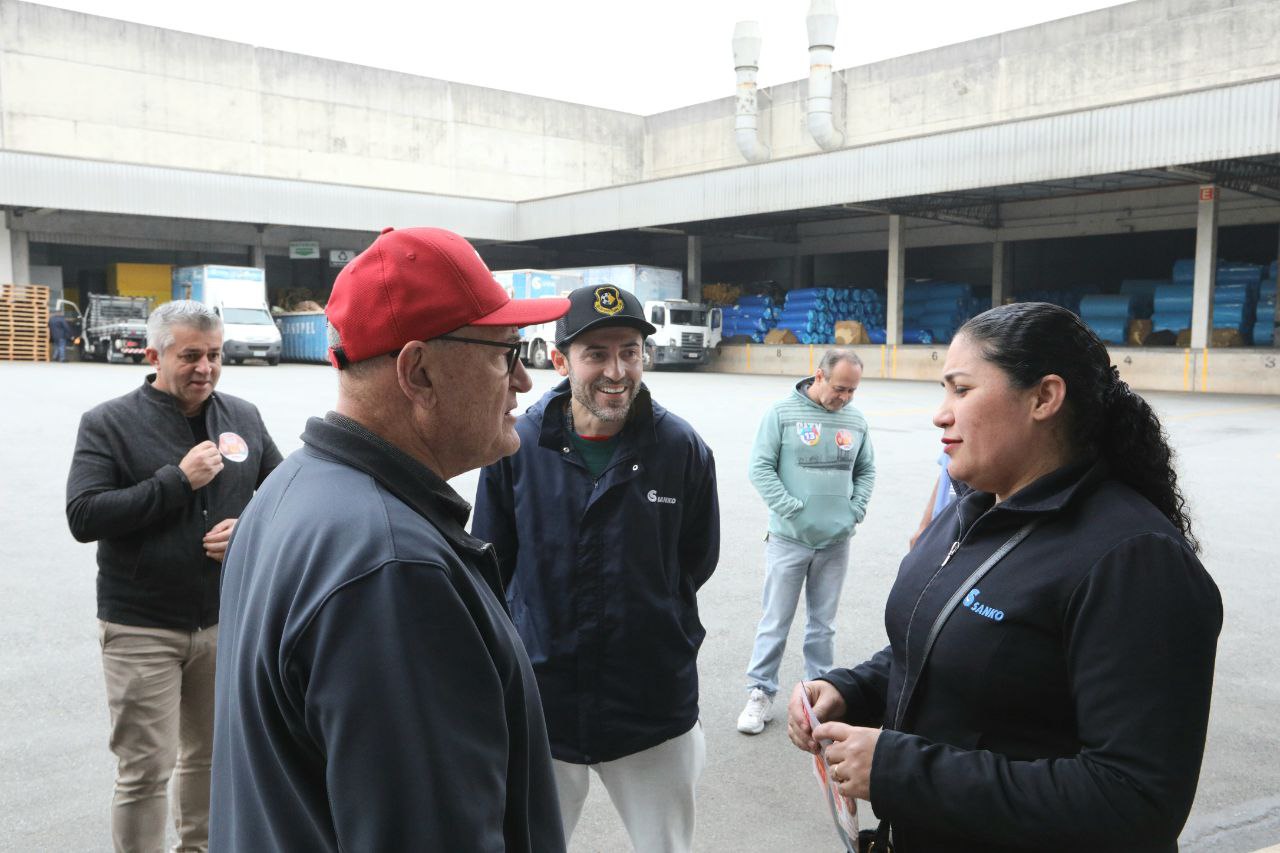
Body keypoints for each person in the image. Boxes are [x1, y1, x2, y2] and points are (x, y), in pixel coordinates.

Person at [787, 302, 1222, 853]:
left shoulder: (1133, 560)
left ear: (1044, 397)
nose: (940, 414)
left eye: (961, 390)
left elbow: (1133, 800)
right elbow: (945, 646)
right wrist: (851, 691)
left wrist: (900, 769)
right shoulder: (973, 508)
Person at [209, 227, 569, 852]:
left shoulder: (290, 489)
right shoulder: (395, 569)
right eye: (505, 354)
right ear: (418, 370)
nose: (523, 383)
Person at [473, 284, 720, 853]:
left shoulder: (680, 448)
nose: (617, 371)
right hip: (544, 696)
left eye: (629, 351)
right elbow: (491, 560)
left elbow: (695, 560)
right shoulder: (517, 445)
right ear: (559, 359)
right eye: (597, 353)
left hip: (652, 700)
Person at [65, 299, 282, 853]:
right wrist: (175, 482)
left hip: (221, 621)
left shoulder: (243, 417)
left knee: (209, 757)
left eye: (214, 355)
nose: (205, 368)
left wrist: (249, 530)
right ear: (155, 353)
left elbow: (286, 496)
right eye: (190, 356)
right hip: (142, 627)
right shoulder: (109, 423)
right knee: (144, 769)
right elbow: (84, 515)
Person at [737, 349, 875, 735]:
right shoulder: (782, 414)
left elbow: (866, 469)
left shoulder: (856, 420)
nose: (844, 397)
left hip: (836, 542)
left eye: (852, 390)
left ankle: (821, 697)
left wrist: (855, 509)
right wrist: (791, 508)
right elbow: (759, 467)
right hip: (789, 539)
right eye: (839, 388)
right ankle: (760, 695)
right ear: (818, 376)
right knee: (775, 621)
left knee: (823, 626)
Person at [909, 449, 956, 548]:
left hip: (958, 535)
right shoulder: (950, 438)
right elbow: (944, 473)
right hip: (936, 528)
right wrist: (923, 527)